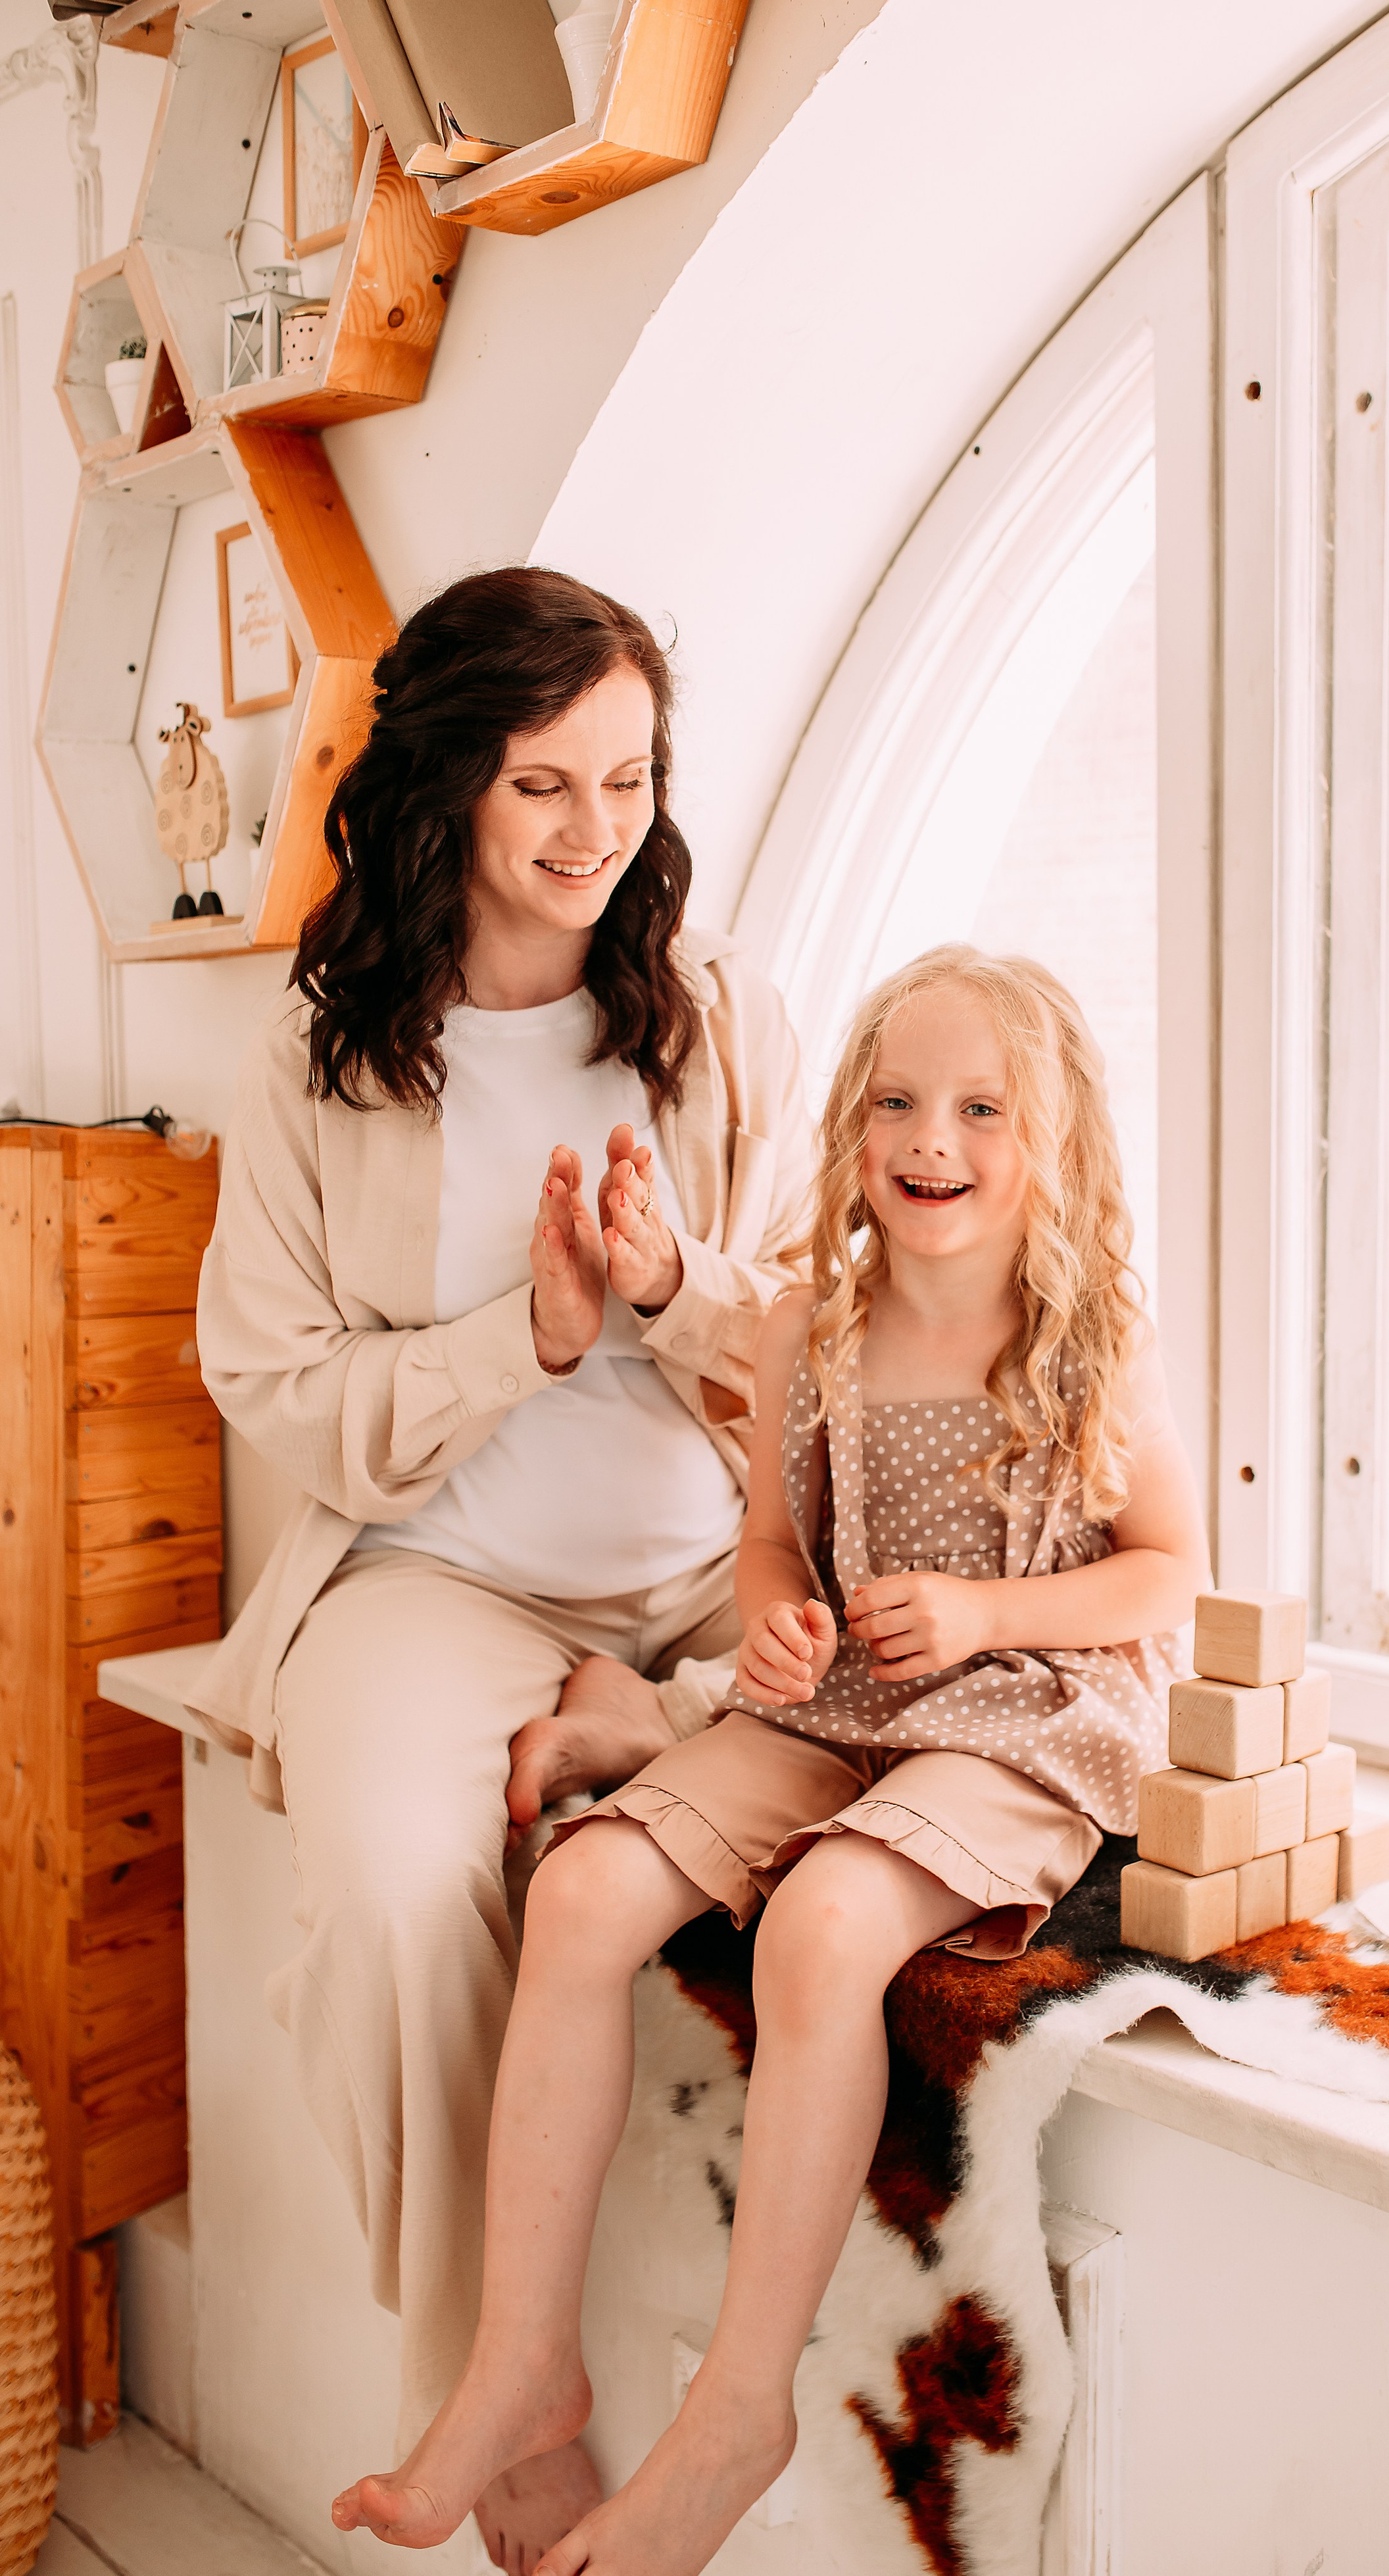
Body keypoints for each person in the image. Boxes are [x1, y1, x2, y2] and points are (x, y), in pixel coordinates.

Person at [329, 943, 1211, 2574]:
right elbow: (764, 1548)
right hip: (845, 1704)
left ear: (1055, 1145)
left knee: (818, 1930)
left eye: (976, 1106)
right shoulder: (815, 1325)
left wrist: (977, 1610)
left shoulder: (1091, 1344)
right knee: (585, 1889)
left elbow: (1163, 1568)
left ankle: (738, 2406)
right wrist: (785, 1621)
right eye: (895, 1099)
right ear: (852, 1129)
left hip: (1024, 1710)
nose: (927, 1135)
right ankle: (518, 2355)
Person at [191, 568, 812, 2573]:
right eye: (542, 780)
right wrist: (519, 1342)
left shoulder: (718, 1018)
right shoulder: (318, 1062)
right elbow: (275, 1383)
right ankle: (508, 2387)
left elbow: (824, 1332)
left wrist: (662, 1285)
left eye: (628, 777)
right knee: (385, 1889)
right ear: (450, 780)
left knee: (918, 1726)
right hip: (435, 1578)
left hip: (707, 1575)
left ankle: (651, 1720)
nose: (592, 828)